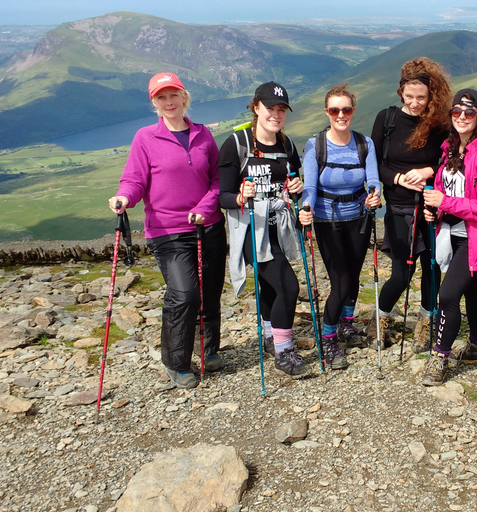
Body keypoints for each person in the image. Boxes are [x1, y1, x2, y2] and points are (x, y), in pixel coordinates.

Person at [109, 72, 226, 389]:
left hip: (209, 227)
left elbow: (217, 179)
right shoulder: (145, 138)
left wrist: (204, 209)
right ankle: (176, 362)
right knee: (185, 293)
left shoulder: (204, 136)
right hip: (167, 231)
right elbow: (134, 180)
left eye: (173, 95)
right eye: (161, 97)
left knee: (210, 291)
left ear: (184, 97)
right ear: (154, 103)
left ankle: (208, 350)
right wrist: (124, 198)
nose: (169, 101)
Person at [421, 88, 477, 386]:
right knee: (472, 290)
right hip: (454, 230)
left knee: (447, 295)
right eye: (456, 111)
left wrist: (443, 203)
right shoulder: (450, 147)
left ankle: (439, 357)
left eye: (469, 112)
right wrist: (435, 211)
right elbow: (444, 189)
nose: (461, 117)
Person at [217, 81, 308, 377]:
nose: (276, 114)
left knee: (272, 285)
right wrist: (241, 197)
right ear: (256, 108)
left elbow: (294, 186)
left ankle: (271, 335)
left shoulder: (287, 145)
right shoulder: (237, 143)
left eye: (281, 109)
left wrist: (297, 188)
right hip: (250, 230)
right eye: (270, 108)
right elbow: (223, 196)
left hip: (279, 228)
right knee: (289, 287)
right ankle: (284, 352)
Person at [370, 57, 451, 351]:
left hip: (431, 209)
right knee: (401, 275)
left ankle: (426, 324)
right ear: (401, 92)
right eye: (410, 96)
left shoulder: (439, 123)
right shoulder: (387, 119)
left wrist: (429, 171)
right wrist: (398, 178)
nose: (415, 103)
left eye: (422, 97)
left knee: (432, 270)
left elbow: (449, 161)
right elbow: (373, 163)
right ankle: (380, 320)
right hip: (398, 208)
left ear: (431, 95)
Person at [299, 84, 382, 367]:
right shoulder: (316, 145)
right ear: (327, 112)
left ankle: (347, 322)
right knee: (340, 282)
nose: (341, 115)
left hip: (359, 218)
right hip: (327, 220)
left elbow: (373, 177)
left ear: (353, 111)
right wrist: (305, 207)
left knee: (354, 274)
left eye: (346, 109)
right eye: (335, 110)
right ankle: (328, 339)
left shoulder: (364, 143)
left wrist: (374, 193)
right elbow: (309, 184)